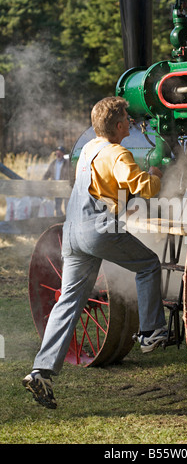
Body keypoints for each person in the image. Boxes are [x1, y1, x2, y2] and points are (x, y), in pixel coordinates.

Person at [23, 96, 167, 409]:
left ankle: (41, 371)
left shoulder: (89, 148)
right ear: (118, 125)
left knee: (69, 301)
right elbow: (147, 188)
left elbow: (104, 185)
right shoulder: (118, 152)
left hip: (73, 232)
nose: (130, 122)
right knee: (149, 264)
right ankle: (149, 332)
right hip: (98, 231)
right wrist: (156, 172)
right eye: (127, 118)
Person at [43, 146, 69, 216]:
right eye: (57, 153)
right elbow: (47, 173)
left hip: (65, 187)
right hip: (56, 187)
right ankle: (59, 221)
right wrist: (42, 182)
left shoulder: (67, 163)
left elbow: (72, 174)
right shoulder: (53, 163)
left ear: (63, 154)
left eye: (59, 153)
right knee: (57, 207)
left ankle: (67, 220)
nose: (58, 155)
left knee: (67, 206)